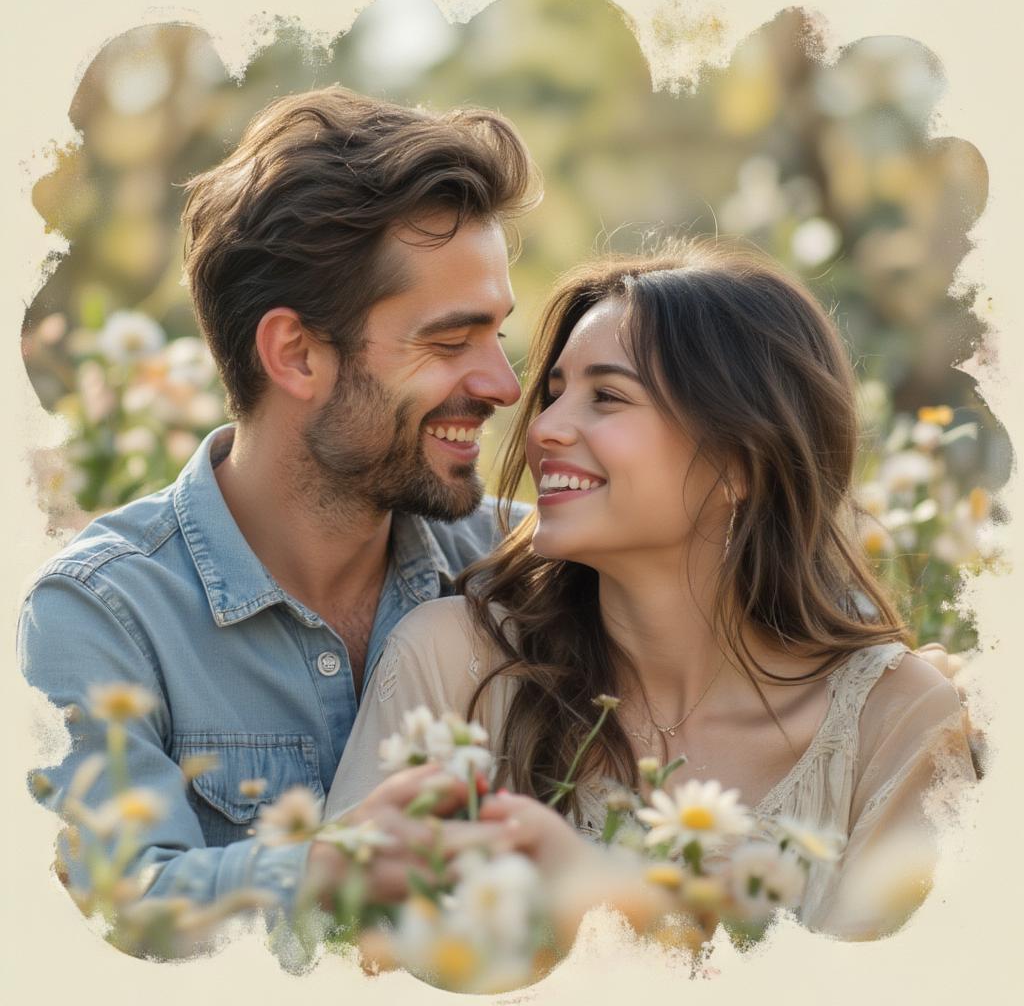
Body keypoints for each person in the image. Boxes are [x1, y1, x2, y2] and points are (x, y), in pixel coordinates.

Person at [325, 241, 977, 939]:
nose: (543, 428)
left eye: (607, 396)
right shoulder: (454, 664)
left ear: (740, 463)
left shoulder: (896, 722)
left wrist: (606, 905)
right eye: (553, 393)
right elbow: (336, 946)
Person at [18, 85, 541, 917]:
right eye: (449, 341)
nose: (504, 386)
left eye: (497, 335)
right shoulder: (101, 616)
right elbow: (119, 910)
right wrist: (340, 871)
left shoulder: (525, 569)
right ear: (295, 355)